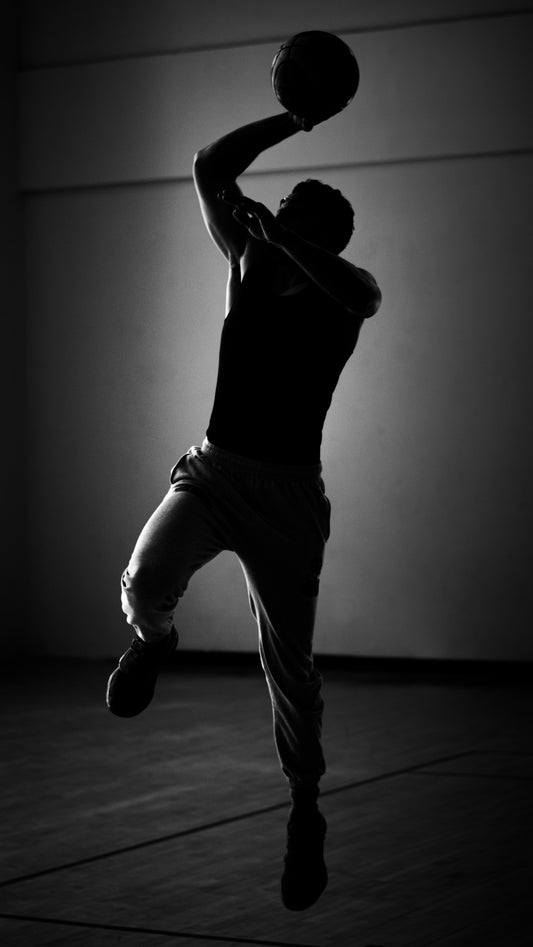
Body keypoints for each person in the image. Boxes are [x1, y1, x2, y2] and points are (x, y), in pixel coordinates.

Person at [106, 108, 381, 911]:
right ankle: (153, 641)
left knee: (289, 665)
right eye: (278, 212)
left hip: (288, 494)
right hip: (217, 470)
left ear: (320, 235)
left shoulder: (340, 294)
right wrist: (295, 118)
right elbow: (207, 164)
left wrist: (284, 235)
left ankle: (304, 806)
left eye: (294, 218)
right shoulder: (247, 260)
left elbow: (364, 293)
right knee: (144, 580)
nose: (274, 218)